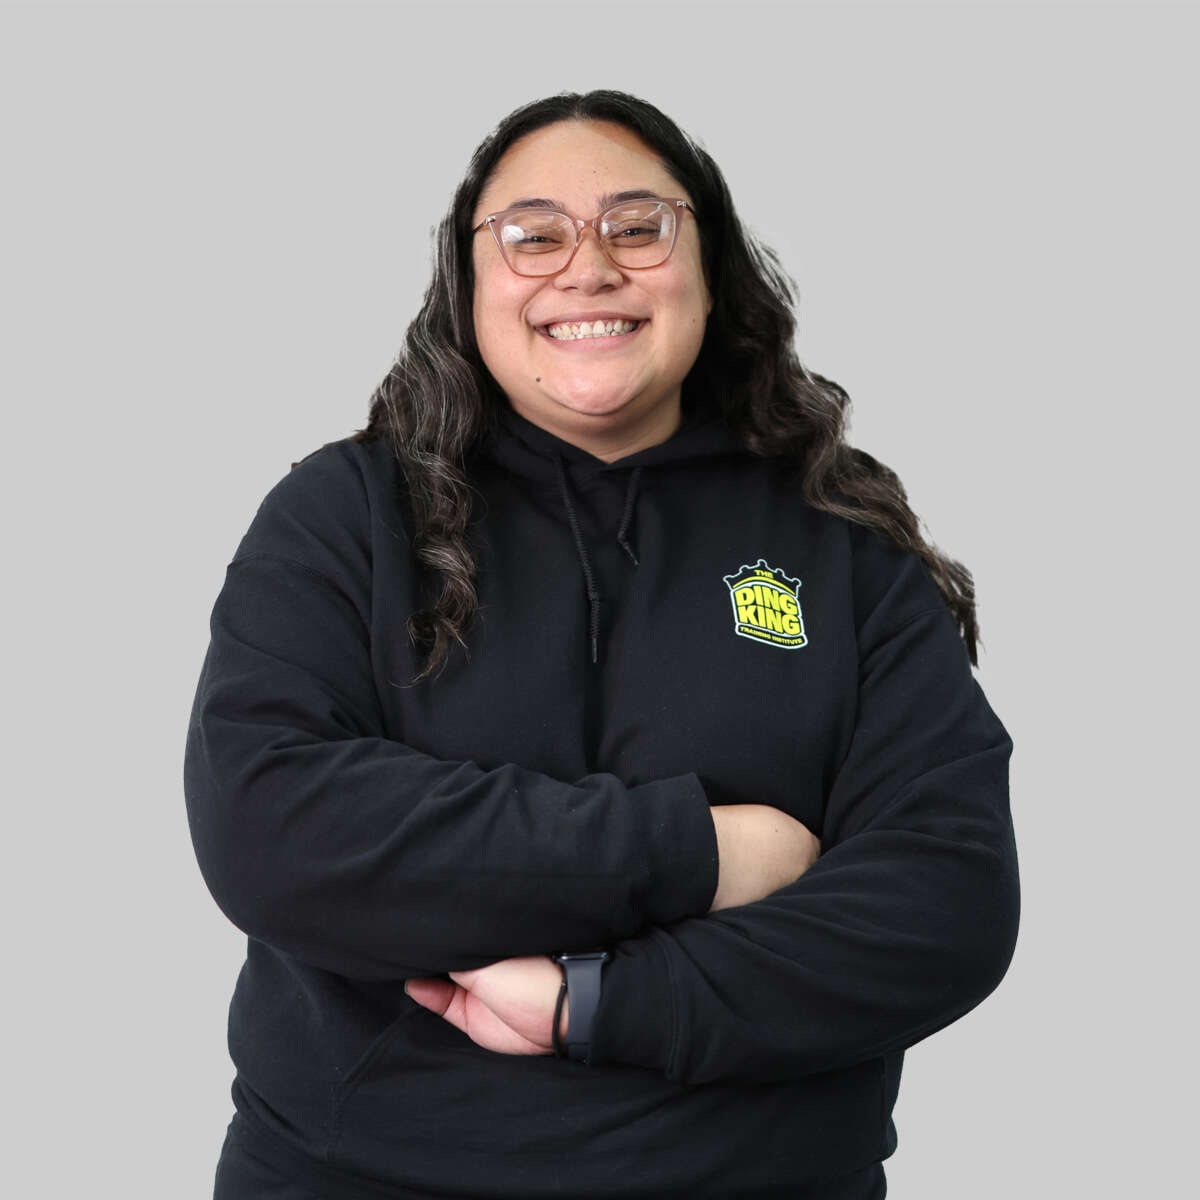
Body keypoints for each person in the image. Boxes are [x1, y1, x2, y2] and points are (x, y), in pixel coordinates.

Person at [184, 88, 1020, 1200]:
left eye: (637, 226)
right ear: (467, 282)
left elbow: (943, 903)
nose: (587, 268)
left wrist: (594, 1003)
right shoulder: (344, 517)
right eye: (532, 235)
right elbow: (271, 825)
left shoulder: (843, 544)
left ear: (708, 264)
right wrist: (704, 851)